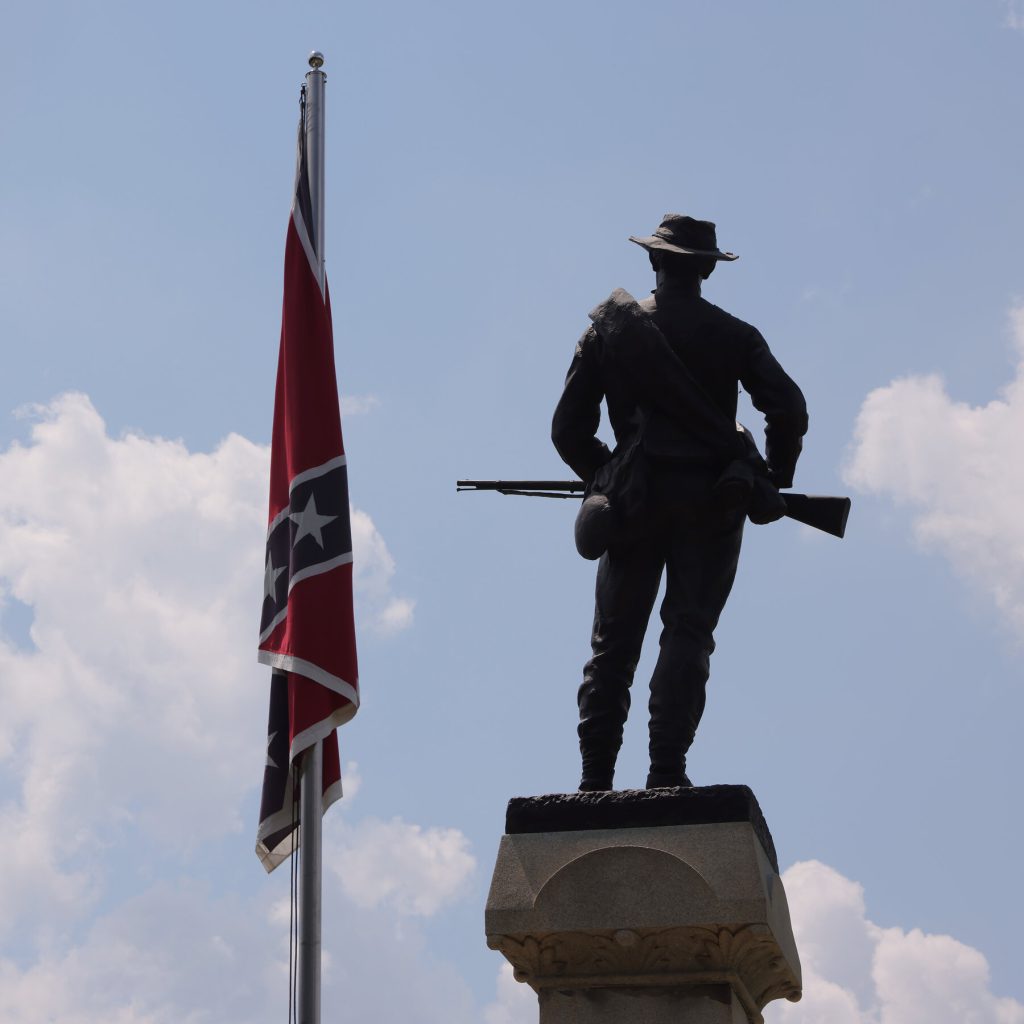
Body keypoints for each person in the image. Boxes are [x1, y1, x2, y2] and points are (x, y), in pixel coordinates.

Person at [551, 214, 808, 791]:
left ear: (654, 261)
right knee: (688, 634)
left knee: (613, 645)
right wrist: (772, 476)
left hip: (633, 501)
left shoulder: (606, 332)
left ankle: (595, 780)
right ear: (707, 271)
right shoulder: (736, 334)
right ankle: (667, 771)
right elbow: (789, 409)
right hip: (712, 502)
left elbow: (567, 430)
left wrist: (607, 475)